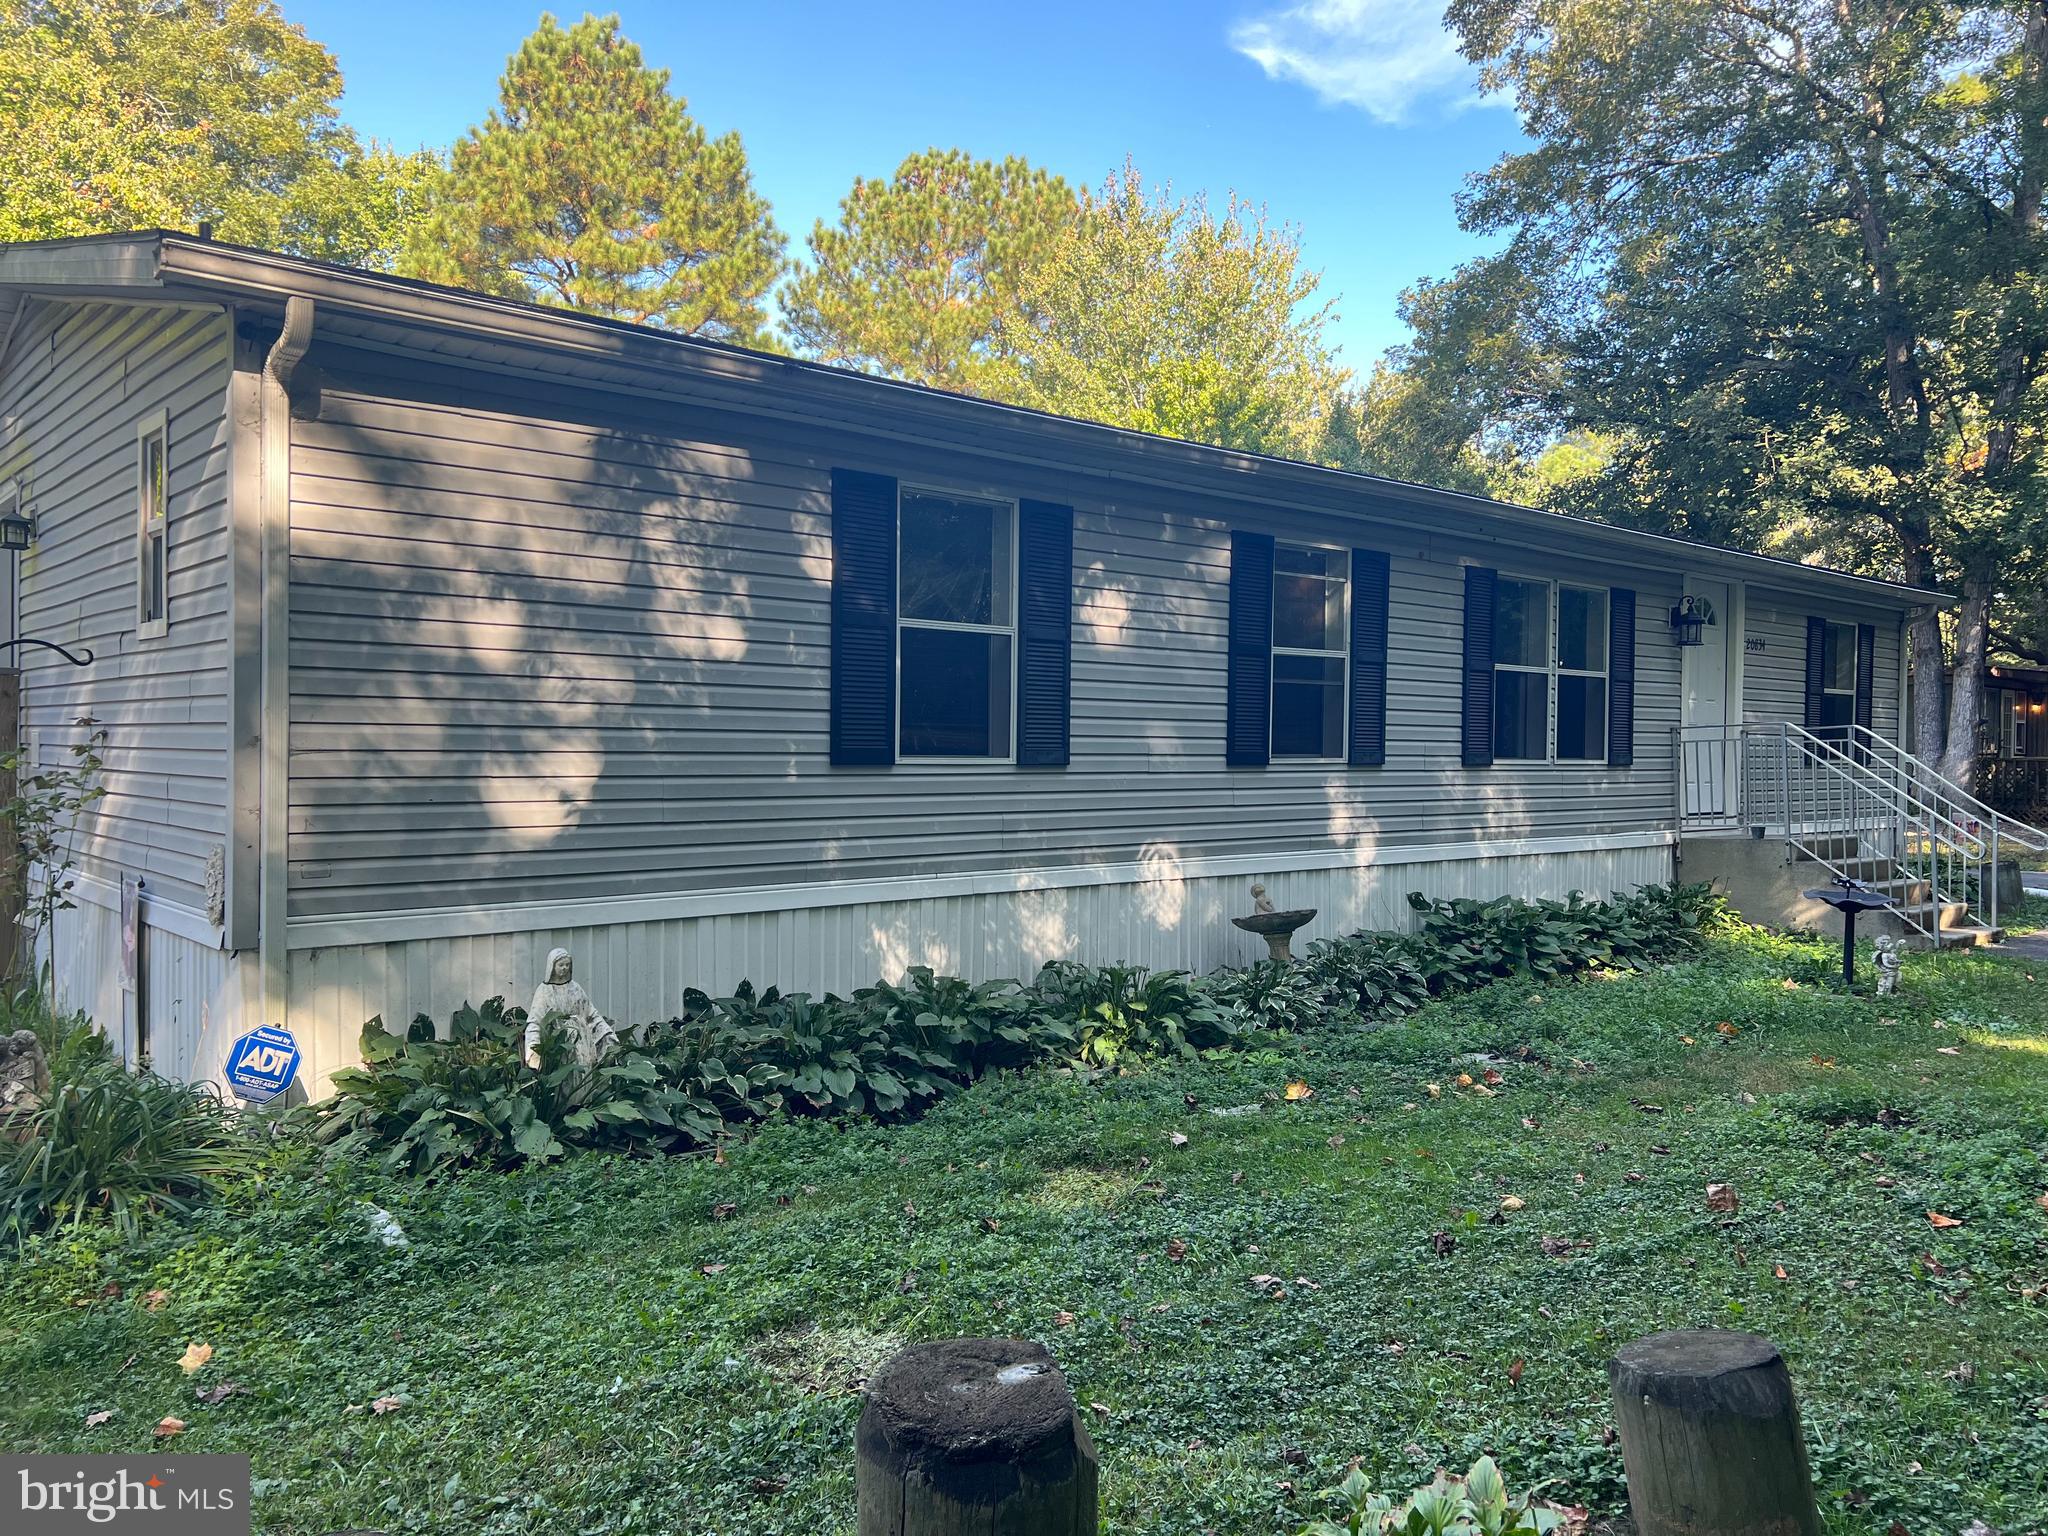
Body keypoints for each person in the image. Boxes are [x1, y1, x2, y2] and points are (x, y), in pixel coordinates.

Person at [524, 948, 618, 1069]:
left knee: (582, 1073)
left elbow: (591, 1014)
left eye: (567, 965)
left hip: (582, 1043)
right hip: (558, 1044)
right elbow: (535, 1021)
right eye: (561, 965)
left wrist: (606, 1032)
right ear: (552, 966)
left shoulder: (575, 988)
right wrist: (534, 1047)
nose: (564, 968)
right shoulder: (544, 991)